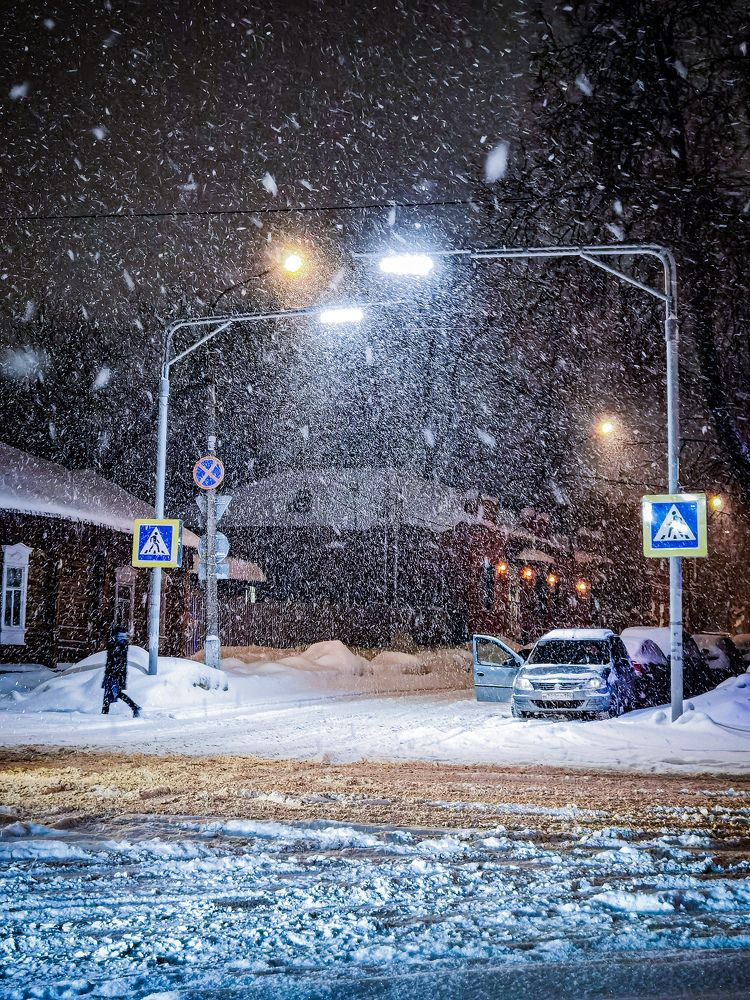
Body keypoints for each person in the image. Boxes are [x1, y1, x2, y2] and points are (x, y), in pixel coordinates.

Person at [101, 631, 141, 717]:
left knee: (112, 693)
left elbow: (118, 662)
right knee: (113, 693)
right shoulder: (118, 645)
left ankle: (104, 713)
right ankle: (134, 707)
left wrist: (114, 673)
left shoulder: (120, 646)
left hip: (115, 674)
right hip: (114, 673)